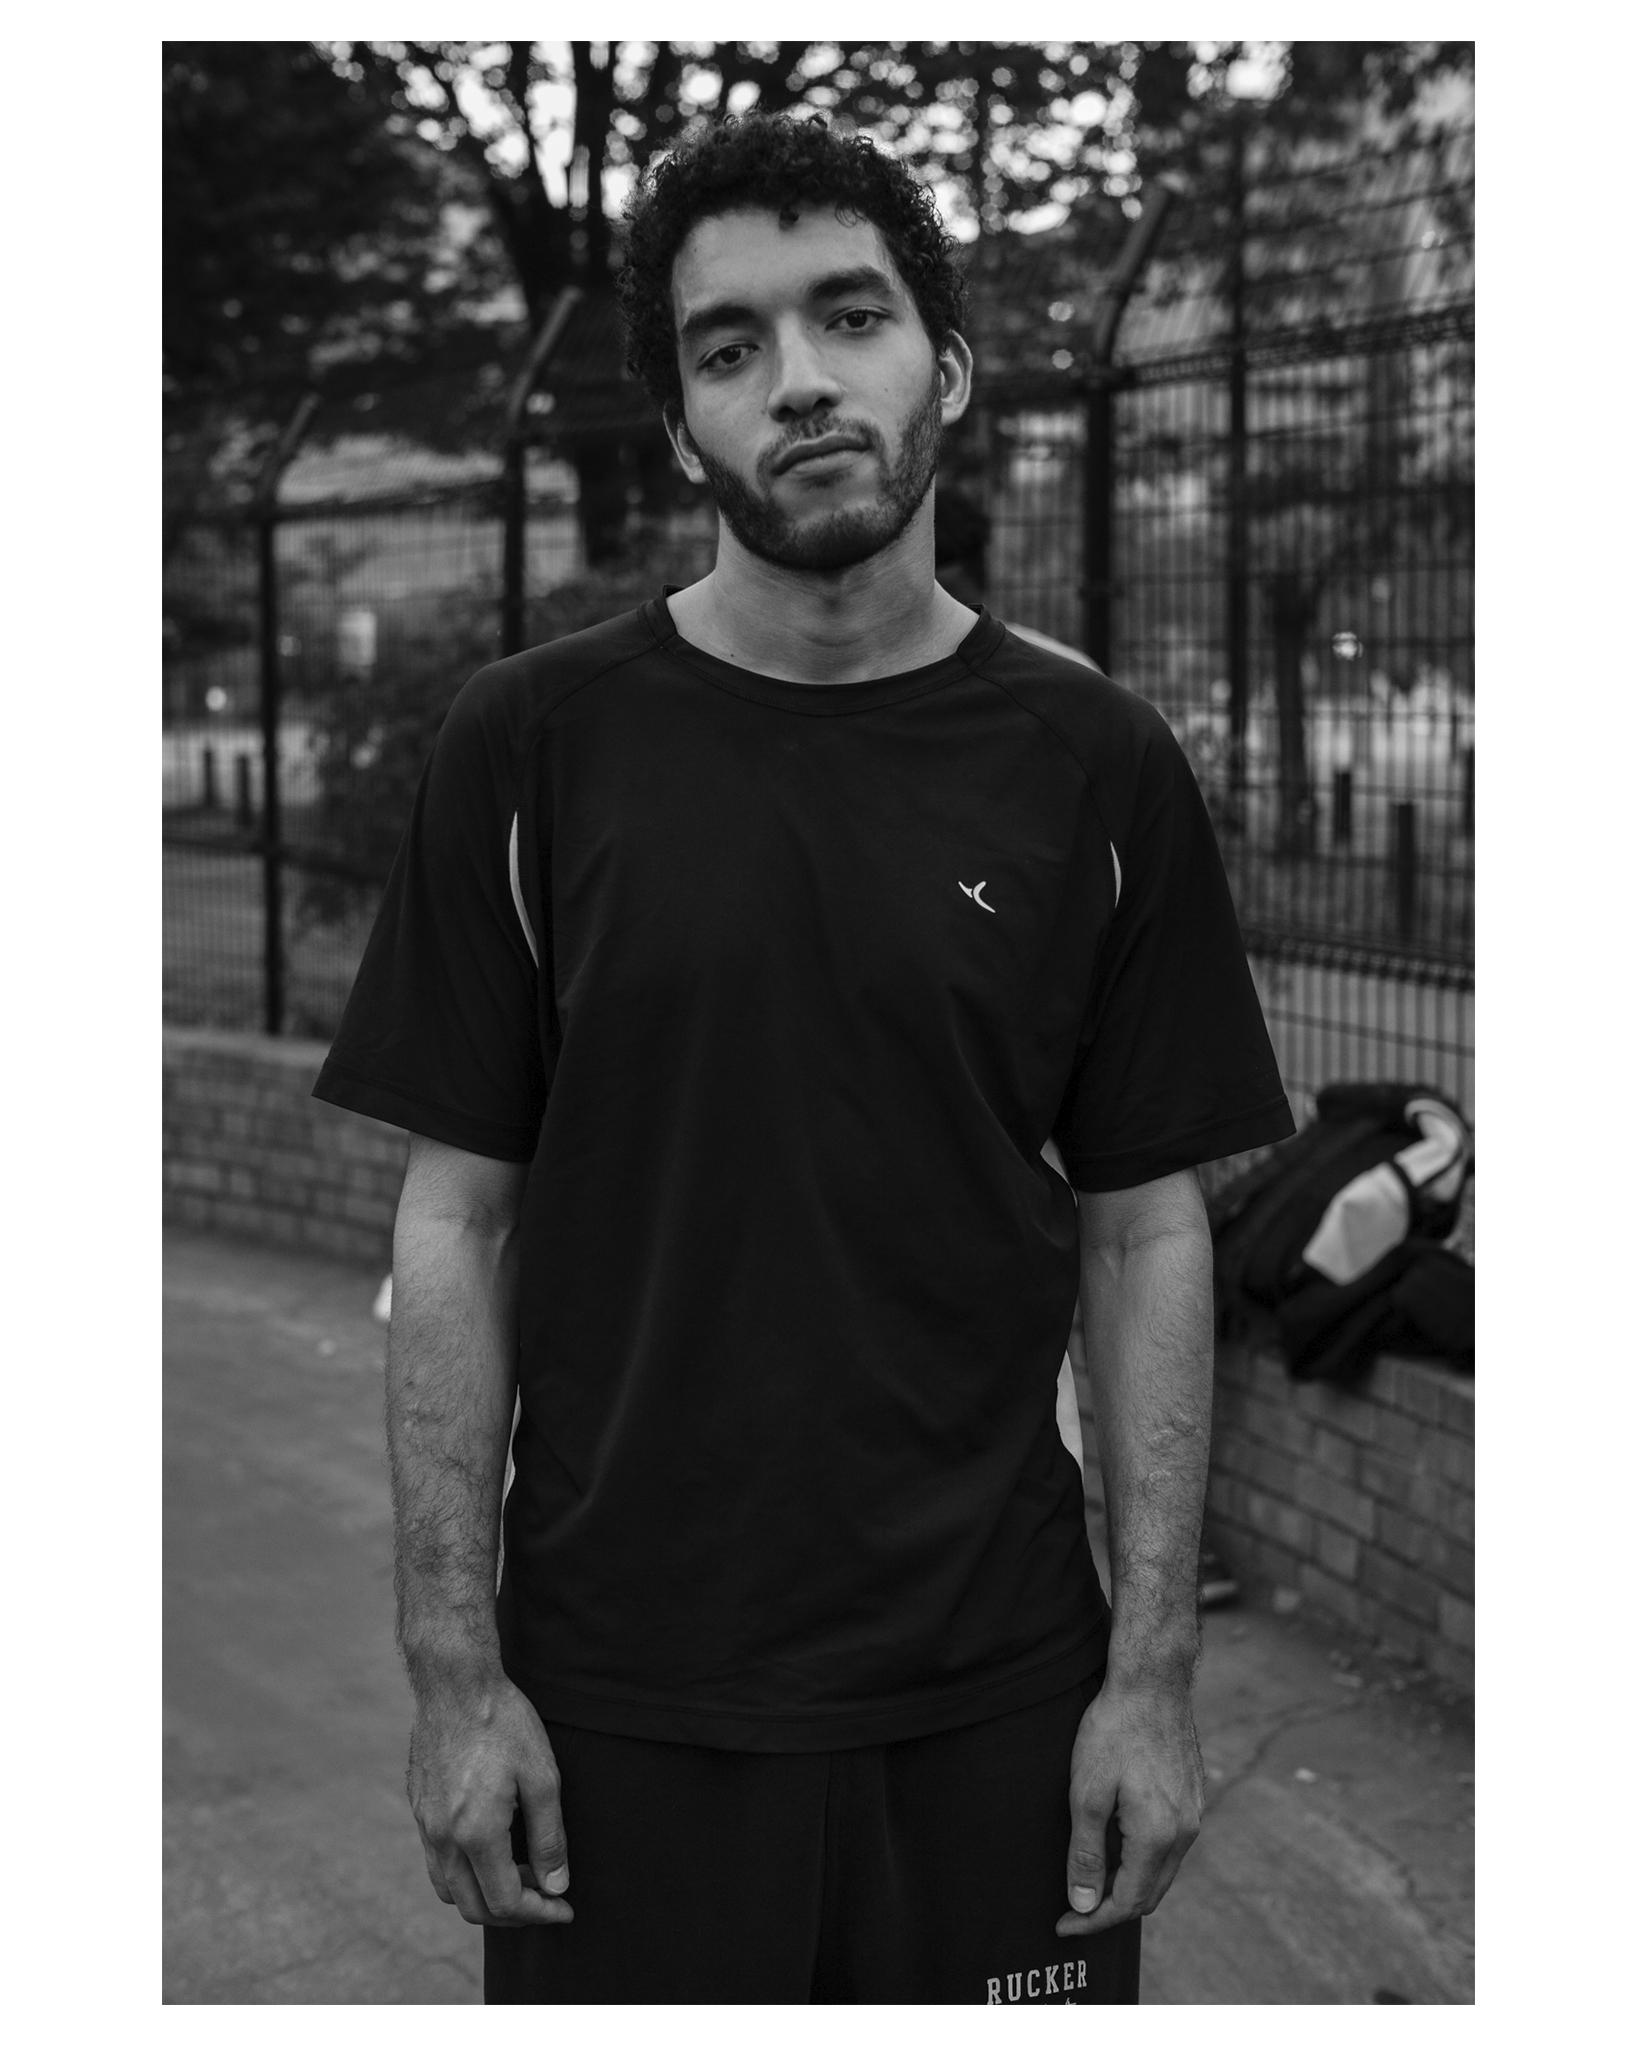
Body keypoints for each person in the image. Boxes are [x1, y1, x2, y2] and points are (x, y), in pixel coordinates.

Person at [313, 110, 1294, 2006]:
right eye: (729, 346)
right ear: (685, 429)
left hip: (999, 1687)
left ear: (951, 366)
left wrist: (1153, 1679)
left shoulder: (1095, 765)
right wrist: (454, 1676)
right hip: (617, 1699)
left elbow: (1146, 1233)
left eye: (849, 316)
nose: (800, 381)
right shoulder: (530, 747)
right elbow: (458, 1226)